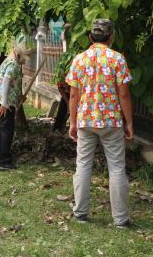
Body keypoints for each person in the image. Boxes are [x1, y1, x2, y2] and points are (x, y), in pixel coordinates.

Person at [66, 19, 133, 228]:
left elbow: (74, 96)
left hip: (86, 120)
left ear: (90, 37)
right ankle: (121, 220)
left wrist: (73, 122)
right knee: (116, 168)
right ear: (111, 37)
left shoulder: (79, 59)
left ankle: (80, 213)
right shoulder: (117, 60)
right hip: (112, 122)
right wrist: (129, 122)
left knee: (83, 165)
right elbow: (124, 95)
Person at [0, 43, 26, 170]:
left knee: (3, 130)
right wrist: (5, 103)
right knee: (7, 131)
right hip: (4, 103)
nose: (23, 62)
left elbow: (12, 83)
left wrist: (19, 96)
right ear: (18, 54)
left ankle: (0, 156)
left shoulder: (6, 62)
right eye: (23, 58)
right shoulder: (14, 64)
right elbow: (5, 81)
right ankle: (4, 161)